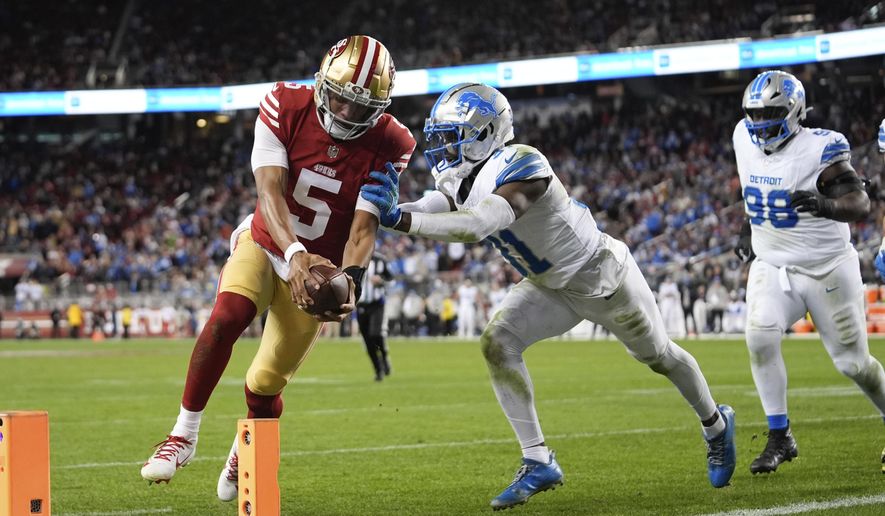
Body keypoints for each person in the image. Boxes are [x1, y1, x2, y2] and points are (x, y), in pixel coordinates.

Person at [361, 83, 736, 509]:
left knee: (660, 357)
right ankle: (538, 459)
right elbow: (442, 202)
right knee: (497, 343)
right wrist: (393, 208)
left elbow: (477, 224)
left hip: (601, 277)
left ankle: (716, 425)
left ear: (485, 133)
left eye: (452, 137)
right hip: (551, 287)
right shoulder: (465, 174)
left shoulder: (523, 163)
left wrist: (400, 221)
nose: (442, 148)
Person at [140, 35, 415, 503]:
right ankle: (183, 434)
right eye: (340, 99)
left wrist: (352, 279)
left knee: (265, 384)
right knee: (226, 317)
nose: (347, 115)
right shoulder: (284, 103)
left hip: (319, 270)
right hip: (269, 243)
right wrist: (293, 256)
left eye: (360, 107)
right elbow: (270, 192)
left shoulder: (393, 141)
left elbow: (363, 227)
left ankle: (243, 450)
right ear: (320, 82)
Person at [733, 70, 885, 475]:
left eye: (770, 113)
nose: (761, 122)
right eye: (755, 113)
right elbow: (750, 188)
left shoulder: (821, 147)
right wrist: (748, 228)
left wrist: (826, 206)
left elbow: (859, 202)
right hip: (773, 265)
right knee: (759, 336)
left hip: (826, 268)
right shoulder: (741, 138)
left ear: (794, 111)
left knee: (853, 365)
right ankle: (780, 435)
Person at [357, 250, 393, 381]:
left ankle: (384, 357)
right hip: (361, 305)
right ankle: (378, 370)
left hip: (377, 304)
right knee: (367, 341)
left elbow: (391, 279)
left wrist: (381, 281)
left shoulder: (380, 260)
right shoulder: (354, 257)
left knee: (375, 334)